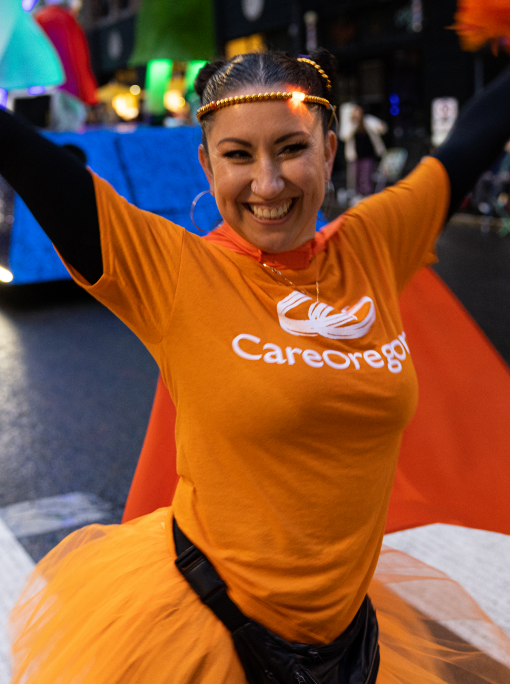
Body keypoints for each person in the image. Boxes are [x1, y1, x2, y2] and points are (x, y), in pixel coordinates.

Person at [1, 49, 510, 683]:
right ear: (206, 163)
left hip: (350, 637)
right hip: (204, 636)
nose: (267, 184)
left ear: (329, 150)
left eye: (292, 149)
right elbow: (34, 164)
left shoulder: (375, 243)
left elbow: (472, 140)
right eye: (238, 155)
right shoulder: (175, 272)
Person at [339, 102, 387, 198]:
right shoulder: (350, 124)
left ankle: (367, 196)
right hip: (355, 155)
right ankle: (357, 197)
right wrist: (354, 122)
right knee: (355, 178)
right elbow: (344, 136)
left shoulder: (368, 120)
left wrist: (375, 124)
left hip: (367, 154)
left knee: (366, 177)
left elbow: (383, 128)